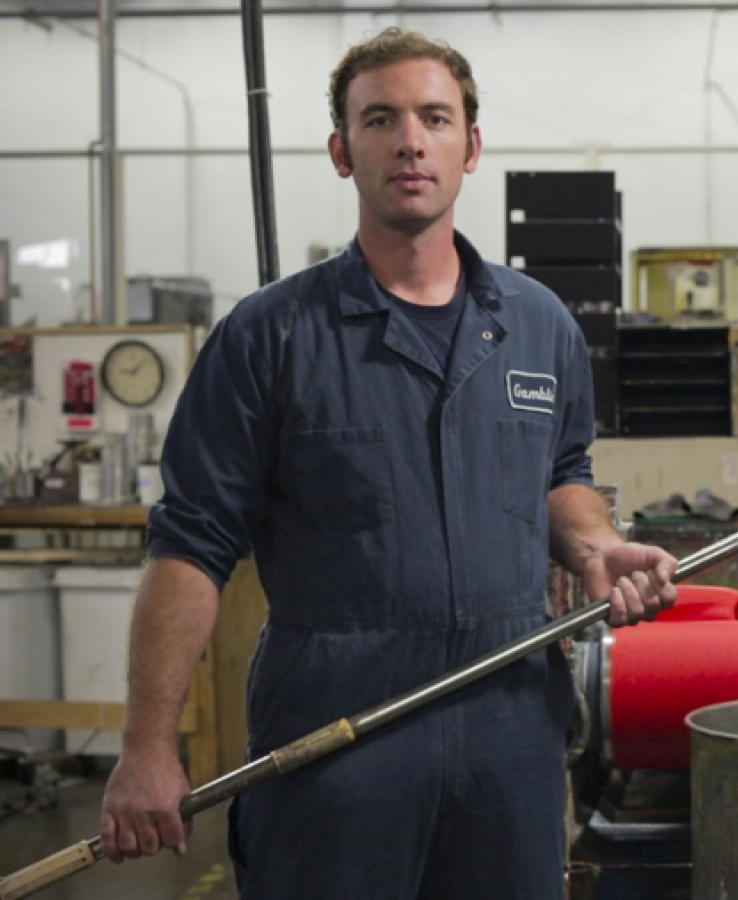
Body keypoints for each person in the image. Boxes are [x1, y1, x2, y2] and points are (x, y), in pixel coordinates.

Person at [98, 27, 677, 899]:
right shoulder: (271, 336)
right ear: (342, 150)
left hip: (509, 731)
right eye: (381, 119)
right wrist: (148, 746)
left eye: (435, 117)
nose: (411, 139)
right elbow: (190, 545)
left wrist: (595, 547)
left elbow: (562, 472)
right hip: (336, 737)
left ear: (470, 146)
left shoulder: (539, 323)